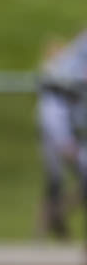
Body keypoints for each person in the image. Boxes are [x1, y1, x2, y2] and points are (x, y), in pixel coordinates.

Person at [34, 29, 87, 239]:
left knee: (59, 183)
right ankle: (50, 221)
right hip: (63, 132)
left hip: (71, 131)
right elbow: (53, 108)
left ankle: (56, 217)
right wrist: (64, 139)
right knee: (55, 182)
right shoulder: (64, 73)